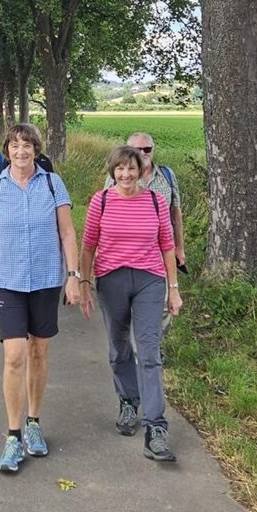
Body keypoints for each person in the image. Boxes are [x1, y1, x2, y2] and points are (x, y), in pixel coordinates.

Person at [0, 123, 80, 473]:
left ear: (36, 150)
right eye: (15, 146)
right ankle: (13, 435)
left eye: (27, 145)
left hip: (46, 279)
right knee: (15, 356)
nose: (21, 152)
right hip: (6, 281)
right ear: (8, 150)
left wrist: (74, 277)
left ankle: (34, 422)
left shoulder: (51, 183)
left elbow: (67, 231)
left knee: (38, 350)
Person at [80, 145, 183, 462]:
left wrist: (173, 289)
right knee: (118, 347)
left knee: (149, 352)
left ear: (141, 171)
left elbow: (167, 246)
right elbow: (88, 247)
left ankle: (156, 428)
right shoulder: (102, 200)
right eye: (120, 169)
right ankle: (128, 400)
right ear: (112, 171)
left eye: (131, 169)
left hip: (150, 281)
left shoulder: (155, 200)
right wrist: (84, 283)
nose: (125, 174)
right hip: (112, 280)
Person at [104, 132, 186, 270]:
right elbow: (105, 211)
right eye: (137, 150)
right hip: (128, 251)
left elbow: (175, 212)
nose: (143, 153)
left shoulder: (167, 175)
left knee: (164, 288)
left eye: (147, 149)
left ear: (153, 150)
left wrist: (179, 247)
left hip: (163, 250)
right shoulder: (119, 178)